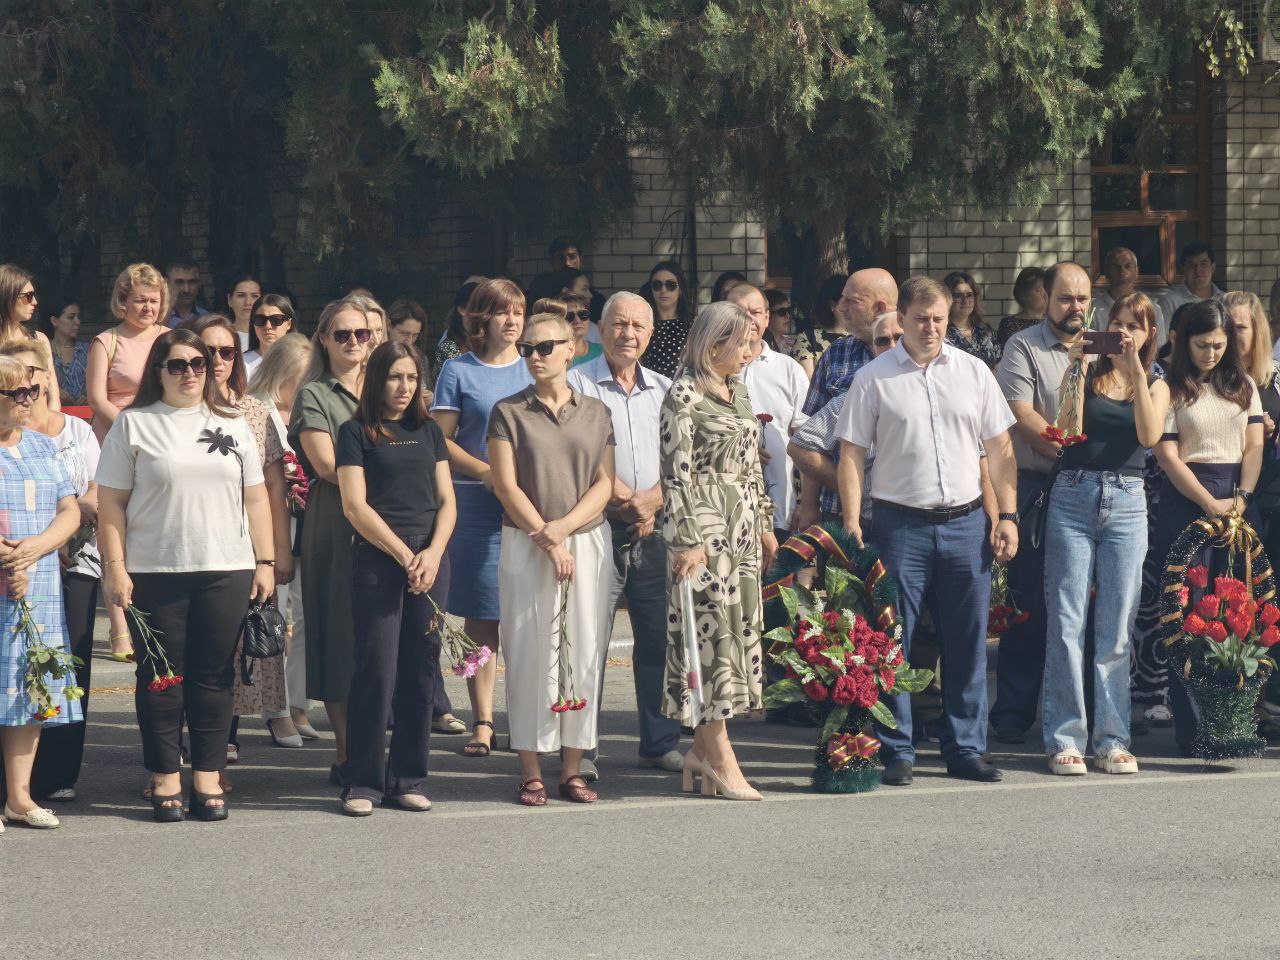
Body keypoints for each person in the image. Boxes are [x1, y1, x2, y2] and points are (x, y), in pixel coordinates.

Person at [836, 276, 1019, 785]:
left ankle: (965, 748)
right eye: (922, 319)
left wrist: (1007, 515)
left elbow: (1001, 449)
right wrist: (852, 522)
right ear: (903, 319)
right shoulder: (874, 377)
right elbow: (851, 453)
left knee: (968, 642)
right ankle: (898, 749)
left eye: (939, 318)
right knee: (893, 640)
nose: (932, 327)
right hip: (899, 527)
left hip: (965, 523)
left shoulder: (974, 372)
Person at [97, 329, 276, 822]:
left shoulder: (233, 423)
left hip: (228, 567)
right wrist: (115, 568)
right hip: (154, 571)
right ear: (159, 371)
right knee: (160, 678)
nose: (192, 372)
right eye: (178, 365)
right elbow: (110, 504)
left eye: (199, 363)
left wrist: (266, 561)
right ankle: (165, 776)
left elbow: (256, 497)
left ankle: (207, 777)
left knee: (213, 678)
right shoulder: (134, 424)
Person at [489, 309, 616, 805]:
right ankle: (529, 766)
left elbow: (605, 482)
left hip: (585, 540)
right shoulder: (508, 411)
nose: (535, 357)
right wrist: (547, 536)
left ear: (572, 348)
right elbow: (505, 484)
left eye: (545, 347)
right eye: (527, 349)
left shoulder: (596, 411)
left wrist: (564, 530)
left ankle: (572, 766)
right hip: (527, 541)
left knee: (583, 650)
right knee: (528, 648)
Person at [1042, 292, 1161, 776]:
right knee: (1067, 623)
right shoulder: (1085, 373)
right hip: (1074, 492)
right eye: (1117, 324)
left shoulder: (1150, 380)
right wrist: (1075, 367)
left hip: (1128, 499)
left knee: (1116, 627)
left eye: (1135, 326)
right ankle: (1066, 738)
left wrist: (1134, 369)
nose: (1124, 333)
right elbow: (1061, 428)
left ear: (1148, 333)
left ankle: (1112, 738)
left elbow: (1150, 438)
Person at [662, 302, 778, 802]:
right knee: (708, 640)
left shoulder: (741, 390)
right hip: (706, 533)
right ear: (714, 346)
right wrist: (687, 539)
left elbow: (752, 463)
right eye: (742, 343)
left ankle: (703, 752)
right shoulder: (684, 394)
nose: (750, 351)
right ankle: (720, 756)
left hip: (744, 528)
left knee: (733, 637)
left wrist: (767, 522)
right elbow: (675, 475)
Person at [335, 341, 455, 815]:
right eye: (394, 378)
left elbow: (447, 501)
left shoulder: (429, 433)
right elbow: (354, 506)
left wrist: (433, 553)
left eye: (411, 378)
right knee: (377, 671)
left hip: (431, 560)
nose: (404, 388)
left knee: (420, 670)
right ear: (376, 380)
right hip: (381, 560)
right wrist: (407, 555)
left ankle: (407, 777)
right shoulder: (355, 432)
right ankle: (363, 782)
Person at [568, 292, 683, 771]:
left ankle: (659, 742)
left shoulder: (665, 387)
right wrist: (621, 498)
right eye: (618, 324)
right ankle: (584, 748)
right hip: (598, 526)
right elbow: (578, 451)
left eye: (638, 326)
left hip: (655, 530)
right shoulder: (578, 383)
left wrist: (652, 500)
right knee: (590, 640)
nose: (628, 334)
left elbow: (680, 455)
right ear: (600, 328)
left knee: (657, 638)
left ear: (650, 335)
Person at [1149, 300, 1264, 753]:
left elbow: (1253, 446)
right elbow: (1167, 456)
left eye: (1219, 345)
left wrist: (1240, 500)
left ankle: (1231, 723)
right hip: (1187, 500)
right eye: (1202, 345)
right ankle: (1191, 727)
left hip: (1236, 501)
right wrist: (1209, 503)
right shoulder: (1171, 386)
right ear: (1184, 343)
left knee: (1237, 614)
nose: (1212, 353)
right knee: (1188, 612)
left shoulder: (1244, 384)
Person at [430, 278, 532, 759]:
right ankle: (483, 721)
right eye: (502, 312)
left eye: (519, 311)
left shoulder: (538, 365)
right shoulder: (458, 370)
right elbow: (440, 441)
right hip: (474, 505)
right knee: (481, 621)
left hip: (530, 508)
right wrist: (487, 473)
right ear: (480, 319)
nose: (512, 321)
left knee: (524, 617)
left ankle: (528, 721)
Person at [189, 314, 298, 760]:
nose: (216, 360)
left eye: (226, 351)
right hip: (189, 541)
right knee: (191, 645)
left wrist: (277, 552)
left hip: (244, 542)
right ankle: (185, 739)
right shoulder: (175, 411)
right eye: (206, 351)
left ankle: (225, 736)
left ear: (237, 358)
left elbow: (275, 487)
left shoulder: (254, 410)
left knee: (234, 641)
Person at [992, 260, 1091, 744]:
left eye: (1083, 299)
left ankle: (1084, 711)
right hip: (1041, 488)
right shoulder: (1024, 346)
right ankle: (1013, 712)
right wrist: (1063, 442)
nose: (1076, 308)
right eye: (1066, 298)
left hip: (1095, 489)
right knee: (1029, 604)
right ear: (1045, 299)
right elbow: (1018, 412)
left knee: (1084, 607)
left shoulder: (1104, 348)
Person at [1, 344, 101, 804]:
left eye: (30, 390)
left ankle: (21, 798)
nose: (27, 399)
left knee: (27, 684)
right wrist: (11, 558)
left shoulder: (43, 446)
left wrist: (39, 547)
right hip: (8, 572)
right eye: (15, 392)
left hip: (38, 581)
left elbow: (69, 508)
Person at [290, 299, 371, 783]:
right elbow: (324, 466)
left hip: (397, 520)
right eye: (342, 334)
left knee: (384, 643)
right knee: (341, 641)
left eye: (361, 334)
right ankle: (347, 754)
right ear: (323, 338)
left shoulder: (396, 386)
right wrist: (393, 472)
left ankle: (380, 751)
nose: (353, 343)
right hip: (338, 525)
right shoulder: (315, 393)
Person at [87, 263, 169, 663]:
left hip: (164, 443)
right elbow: (97, 398)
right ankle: (120, 626)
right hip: (117, 439)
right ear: (123, 301)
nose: (148, 307)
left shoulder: (170, 340)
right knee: (114, 529)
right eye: (140, 300)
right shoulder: (107, 341)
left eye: (154, 300)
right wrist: (133, 428)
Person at [247, 333, 320, 739]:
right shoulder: (256, 409)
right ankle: (275, 709)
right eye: (303, 374)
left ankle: (299, 703)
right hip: (275, 521)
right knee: (276, 613)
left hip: (311, 516)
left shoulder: (309, 405)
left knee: (306, 615)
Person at [789, 311, 902, 530]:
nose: (843, 307)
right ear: (875, 348)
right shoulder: (857, 392)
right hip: (862, 517)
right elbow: (804, 444)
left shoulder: (943, 384)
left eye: (852, 301)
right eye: (882, 341)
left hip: (935, 519)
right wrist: (856, 491)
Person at [728, 283, 808, 538]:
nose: (748, 319)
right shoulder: (708, 370)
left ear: (766, 317)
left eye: (755, 312)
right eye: (740, 311)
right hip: (725, 511)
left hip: (780, 508)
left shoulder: (789, 369)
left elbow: (807, 441)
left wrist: (807, 502)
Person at [802, 267, 897, 415]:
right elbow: (811, 422)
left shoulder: (920, 349)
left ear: (879, 307)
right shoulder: (836, 352)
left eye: (851, 301)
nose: (841, 308)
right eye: (842, 299)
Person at [0, 264, 61, 410]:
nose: (35, 302)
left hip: (37, 426)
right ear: (8, 297)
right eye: (28, 296)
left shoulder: (39, 339)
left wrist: (47, 429)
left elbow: (53, 394)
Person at [1224, 290, 1280, 436]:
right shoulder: (1208, 377)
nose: (1232, 334)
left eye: (1241, 327)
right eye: (1227, 326)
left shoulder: (1276, 372)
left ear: (1257, 331)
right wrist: (1252, 429)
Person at [1155, 242, 1223, 348]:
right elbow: (1163, 344)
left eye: (1203, 264)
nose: (1198, 270)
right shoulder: (1169, 302)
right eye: (1192, 265)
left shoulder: (1225, 300)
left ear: (1213, 268)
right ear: (1183, 269)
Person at [640, 261, 693, 379]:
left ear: (680, 290)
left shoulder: (694, 326)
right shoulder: (641, 325)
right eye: (657, 285)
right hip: (650, 391)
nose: (663, 290)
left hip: (683, 392)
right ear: (651, 289)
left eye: (671, 285)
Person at [790, 274, 849, 378]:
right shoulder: (808, 338)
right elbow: (809, 386)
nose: (852, 308)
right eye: (847, 302)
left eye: (856, 302)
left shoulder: (863, 337)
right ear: (832, 305)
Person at [943, 271, 1000, 367]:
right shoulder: (942, 333)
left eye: (969, 295)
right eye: (958, 295)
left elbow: (999, 364)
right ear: (947, 298)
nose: (965, 300)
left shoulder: (986, 331)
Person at [43, 300, 90, 406]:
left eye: (78, 317)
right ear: (54, 321)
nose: (77, 321)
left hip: (86, 416)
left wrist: (89, 396)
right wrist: (54, 391)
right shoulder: (44, 351)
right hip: (54, 414)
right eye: (71, 317)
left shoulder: (87, 351)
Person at [243, 294, 296, 381]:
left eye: (276, 320)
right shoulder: (242, 362)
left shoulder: (301, 361)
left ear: (289, 324)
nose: (268, 326)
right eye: (260, 320)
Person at [435, 279, 482, 369]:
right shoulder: (449, 347)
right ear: (461, 309)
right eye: (478, 308)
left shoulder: (490, 340)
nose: (483, 314)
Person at [1091, 247, 1140, 330]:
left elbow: (1158, 343)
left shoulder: (1152, 309)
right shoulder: (1092, 309)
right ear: (1106, 272)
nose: (1122, 272)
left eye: (1128, 266)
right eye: (1115, 267)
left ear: (1137, 272)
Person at [997, 267, 1048, 348]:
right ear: (1023, 294)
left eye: (1047, 289)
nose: (1045, 294)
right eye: (1039, 290)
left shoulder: (1054, 322)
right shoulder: (1009, 324)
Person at [561, 292, 603, 367]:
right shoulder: (554, 355)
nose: (577, 320)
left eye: (583, 314)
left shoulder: (602, 352)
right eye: (569, 316)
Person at [166, 258, 207, 327]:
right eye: (179, 282)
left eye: (192, 282)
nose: (186, 290)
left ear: (199, 283)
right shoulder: (154, 318)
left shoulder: (206, 318)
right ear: (167, 283)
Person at [224, 275, 262, 352]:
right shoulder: (222, 335)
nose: (248, 302)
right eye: (241, 295)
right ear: (229, 300)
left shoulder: (270, 335)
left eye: (255, 296)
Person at [763, 288, 796, 355]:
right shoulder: (758, 346)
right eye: (782, 312)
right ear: (767, 315)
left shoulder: (796, 345)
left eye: (789, 310)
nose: (788, 316)